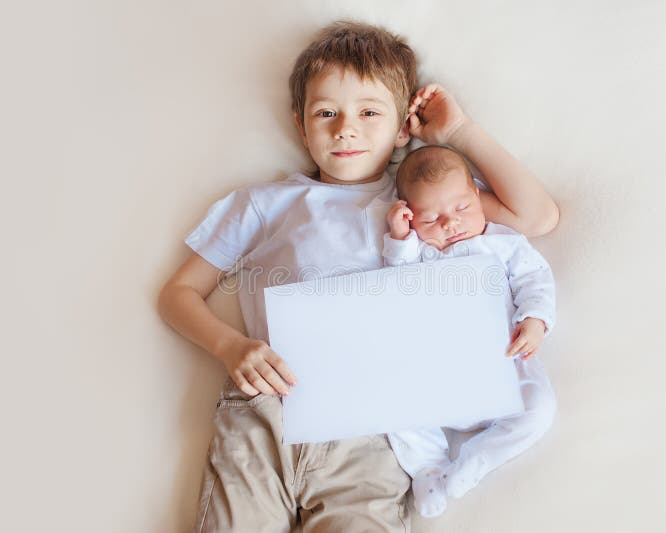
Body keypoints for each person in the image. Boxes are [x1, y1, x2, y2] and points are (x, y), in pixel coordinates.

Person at [157, 21, 559, 532]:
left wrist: (458, 133)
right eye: (326, 113)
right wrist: (231, 347)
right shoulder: (264, 204)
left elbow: (538, 218)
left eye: (369, 113)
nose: (345, 128)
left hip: (377, 428)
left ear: (401, 130)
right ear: (301, 125)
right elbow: (178, 294)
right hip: (268, 410)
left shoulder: (421, 195)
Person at [383, 145, 557, 518]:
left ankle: (473, 463)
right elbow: (396, 283)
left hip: (504, 361)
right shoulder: (420, 252)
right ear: (412, 218)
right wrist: (398, 239)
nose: (449, 224)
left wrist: (534, 320)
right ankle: (428, 468)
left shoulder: (502, 243)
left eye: (461, 208)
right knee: (393, 403)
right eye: (430, 219)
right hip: (437, 370)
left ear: (477, 196)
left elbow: (534, 279)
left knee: (540, 410)